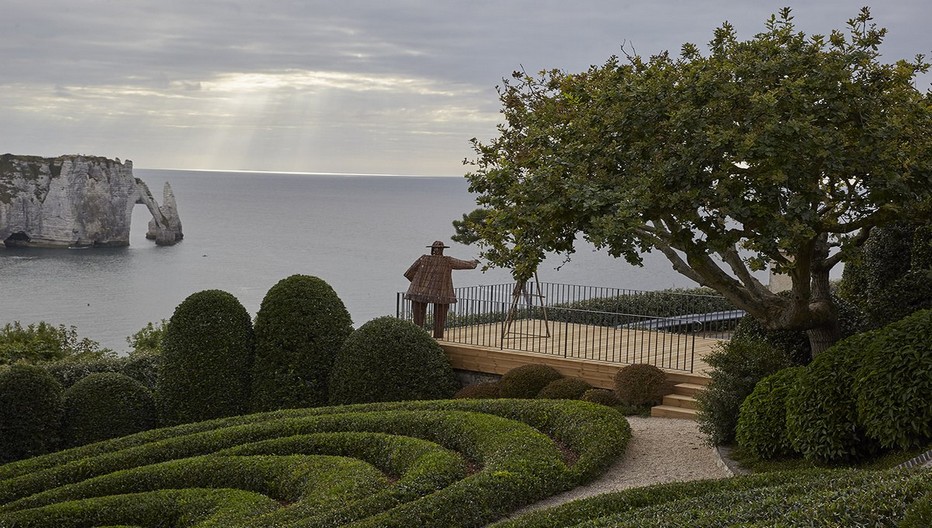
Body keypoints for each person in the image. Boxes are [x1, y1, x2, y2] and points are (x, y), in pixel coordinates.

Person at [404, 240, 479, 338]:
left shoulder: (423, 259)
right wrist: (474, 263)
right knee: (440, 319)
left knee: (418, 320)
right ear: (442, 250)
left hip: (419, 292)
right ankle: (438, 337)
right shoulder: (447, 261)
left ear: (432, 249)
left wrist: (419, 284)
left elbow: (408, 273)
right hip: (441, 293)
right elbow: (464, 264)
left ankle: (418, 337)